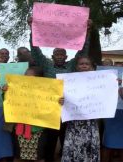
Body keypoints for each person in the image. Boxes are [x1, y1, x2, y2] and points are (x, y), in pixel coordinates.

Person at [29, 17, 91, 161]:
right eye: (57, 54)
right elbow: (35, 50)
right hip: (50, 108)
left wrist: (87, 31)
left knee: (66, 138)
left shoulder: (71, 66)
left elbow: (82, 51)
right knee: (50, 139)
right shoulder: (46, 65)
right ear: (52, 56)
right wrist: (32, 29)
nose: (59, 56)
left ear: (66, 56)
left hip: (68, 108)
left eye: (62, 54)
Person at [2, 66, 63, 162]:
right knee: (18, 156)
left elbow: (53, 106)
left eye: (31, 77)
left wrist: (59, 101)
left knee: (39, 157)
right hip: (20, 129)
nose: (27, 79)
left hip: (39, 130)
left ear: (40, 79)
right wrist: (5, 92)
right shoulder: (18, 89)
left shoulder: (47, 91)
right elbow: (8, 102)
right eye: (25, 76)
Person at [61, 56, 100, 162]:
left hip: (90, 124)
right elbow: (62, 97)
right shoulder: (68, 81)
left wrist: (113, 84)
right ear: (77, 66)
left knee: (89, 152)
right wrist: (61, 101)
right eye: (81, 64)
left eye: (87, 64)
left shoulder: (100, 81)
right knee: (72, 151)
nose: (84, 66)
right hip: (74, 122)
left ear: (91, 67)